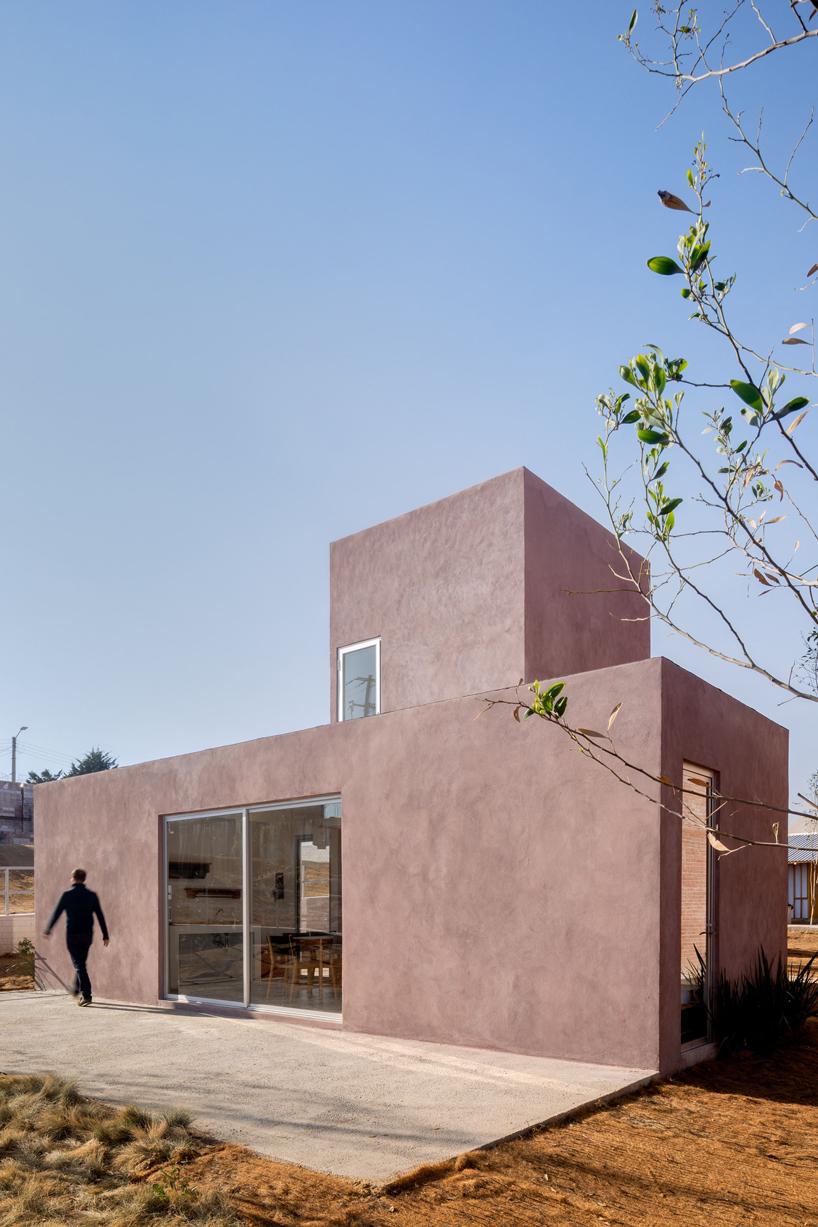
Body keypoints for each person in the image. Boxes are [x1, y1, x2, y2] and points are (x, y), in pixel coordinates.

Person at [43, 868, 109, 1006]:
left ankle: (87, 995)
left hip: (72, 934)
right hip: (87, 935)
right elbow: (100, 915)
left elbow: (56, 913)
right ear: (84, 879)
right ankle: (75, 988)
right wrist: (105, 935)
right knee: (81, 964)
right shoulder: (92, 895)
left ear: (73, 878)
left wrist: (48, 930)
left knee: (79, 965)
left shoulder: (67, 895)